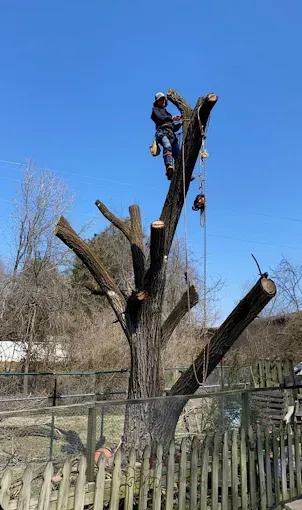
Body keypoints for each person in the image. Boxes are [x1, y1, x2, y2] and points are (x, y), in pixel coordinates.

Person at [151, 92, 182, 180]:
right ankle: (169, 166)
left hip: (171, 134)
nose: (162, 101)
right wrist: (172, 119)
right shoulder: (155, 110)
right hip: (162, 132)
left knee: (178, 156)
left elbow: (172, 127)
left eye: (163, 99)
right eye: (160, 100)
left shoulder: (167, 113)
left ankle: (180, 174)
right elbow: (160, 118)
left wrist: (180, 124)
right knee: (167, 146)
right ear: (157, 101)